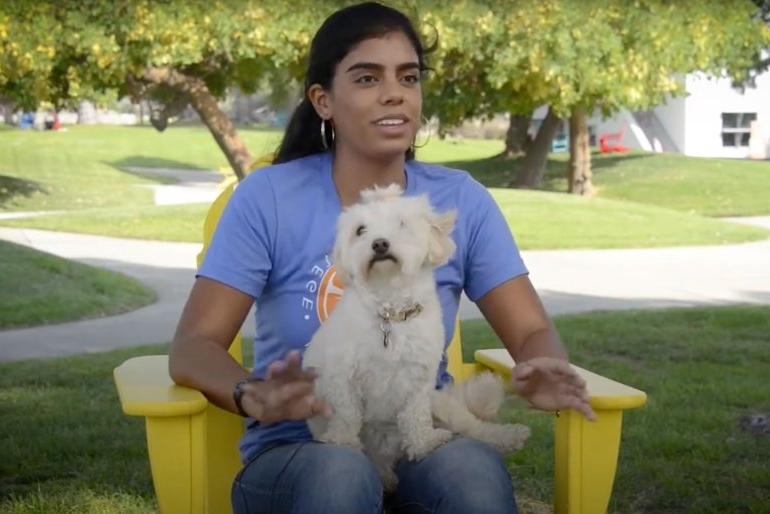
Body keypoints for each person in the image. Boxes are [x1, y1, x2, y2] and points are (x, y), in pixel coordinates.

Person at [169, 3, 596, 513]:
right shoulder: (268, 198)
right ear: (323, 101)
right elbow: (194, 345)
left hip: (416, 437)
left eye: (408, 77)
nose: (395, 92)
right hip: (296, 449)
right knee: (341, 474)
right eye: (368, 77)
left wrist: (542, 364)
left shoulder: (460, 201)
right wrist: (249, 394)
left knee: (474, 476)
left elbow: (529, 331)